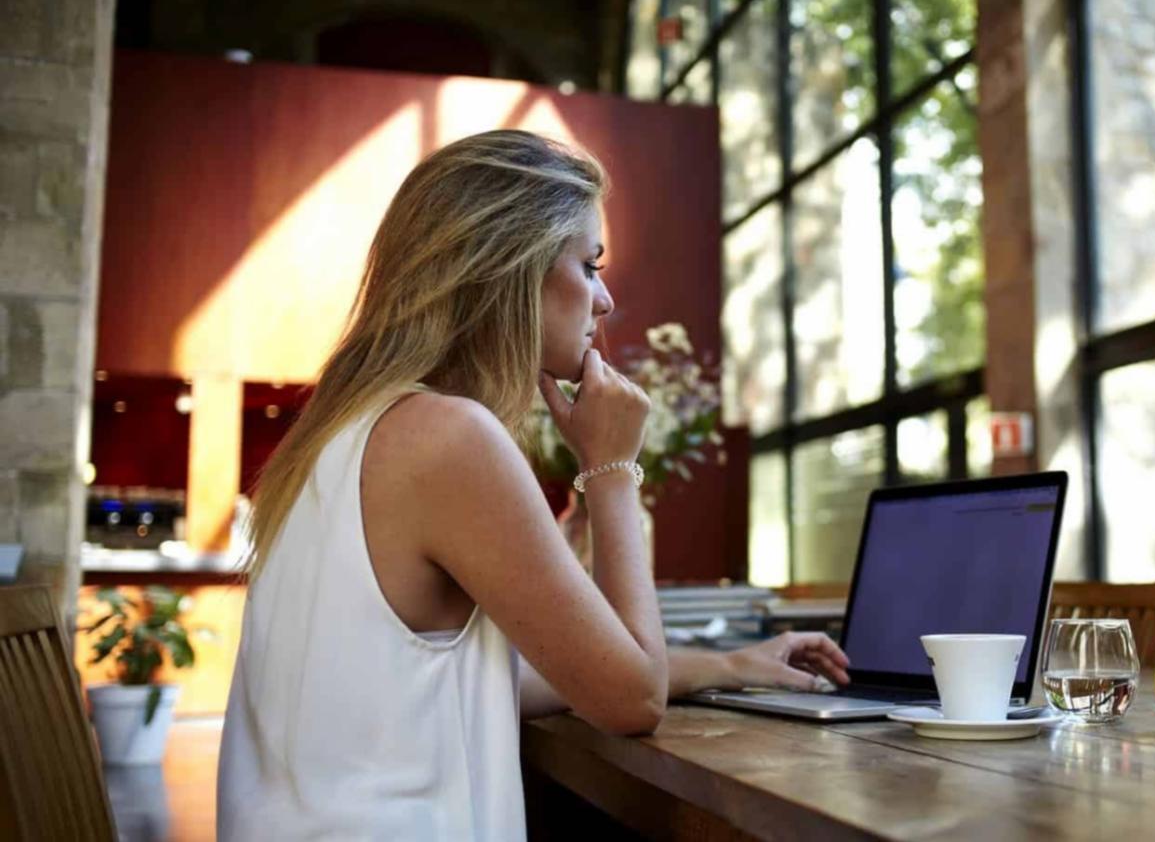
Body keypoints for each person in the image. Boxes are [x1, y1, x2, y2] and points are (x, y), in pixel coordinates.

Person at [217, 130, 850, 841]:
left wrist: (729, 665)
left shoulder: (342, 433)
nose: (605, 300)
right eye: (590, 264)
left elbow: (502, 679)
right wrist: (611, 469)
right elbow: (630, 700)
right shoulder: (446, 436)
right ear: (513, 266)